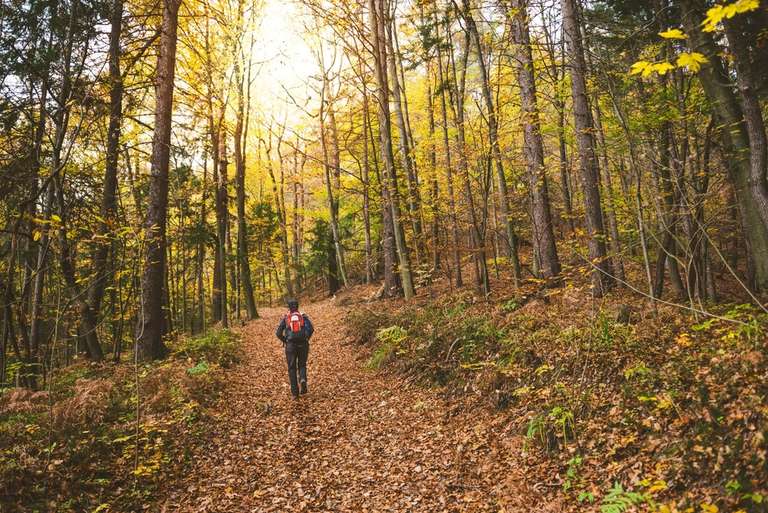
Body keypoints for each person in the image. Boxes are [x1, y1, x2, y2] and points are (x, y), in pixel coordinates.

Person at [275, 299, 314, 399]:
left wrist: (285, 340)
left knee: (292, 368)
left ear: (289, 307)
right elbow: (311, 329)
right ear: (297, 306)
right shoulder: (303, 316)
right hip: (303, 344)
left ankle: (295, 393)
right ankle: (302, 379)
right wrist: (306, 338)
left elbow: (278, 333)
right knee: (302, 364)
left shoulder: (286, 317)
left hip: (290, 346)